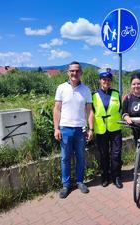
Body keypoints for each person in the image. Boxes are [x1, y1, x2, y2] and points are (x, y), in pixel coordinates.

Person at [53, 61, 94, 199]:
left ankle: (80, 182)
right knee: (65, 158)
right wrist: (56, 128)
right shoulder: (61, 88)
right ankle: (66, 185)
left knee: (80, 157)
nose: (74, 73)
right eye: (72, 71)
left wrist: (90, 129)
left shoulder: (86, 90)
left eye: (77, 71)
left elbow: (89, 111)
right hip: (65, 129)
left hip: (80, 130)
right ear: (68, 72)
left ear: (81, 73)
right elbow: (57, 109)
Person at [92, 70, 123, 188]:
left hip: (115, 128)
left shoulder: (116, 94)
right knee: (104, 154)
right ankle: (105, 176)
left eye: (109, 80)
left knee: (116, 154)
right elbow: (91, 112)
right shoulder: (94, 95)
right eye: (104, 79)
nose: (106, 82)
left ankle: (116, 177)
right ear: (100, 81)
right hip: (101, 129)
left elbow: (120, 108)